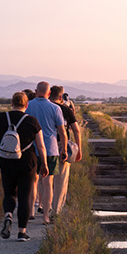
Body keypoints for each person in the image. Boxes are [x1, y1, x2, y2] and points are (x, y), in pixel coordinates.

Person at [0, 91, 48, 241]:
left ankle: (8, 215)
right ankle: (22, 232)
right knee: (25, 196)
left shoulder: (0, 118)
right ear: (26, 105)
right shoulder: (32, 121)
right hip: (27, 162)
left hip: (7, 161)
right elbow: (41, 146)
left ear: (11, 103)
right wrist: (44, 164)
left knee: (9, 193)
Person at [25, 81, 67, 224]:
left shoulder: (27, 106)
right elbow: (62, 132)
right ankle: (45, 217)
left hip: (31, 149)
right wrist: (65, 149)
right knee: (48, 182)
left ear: (36, 91)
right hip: (50, 149)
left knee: (32, 181)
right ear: (49, 93)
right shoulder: (55, 108)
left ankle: (30, 211)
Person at [48, 85, 82, 215]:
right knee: (61, 180)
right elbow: (76, 130)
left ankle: (44, 207)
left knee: (45, 179)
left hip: (45, 146)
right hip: (62, 147)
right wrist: (79, 149)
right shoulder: (64, 109)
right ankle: (56, 211)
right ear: (61, 97)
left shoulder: (44, 108)